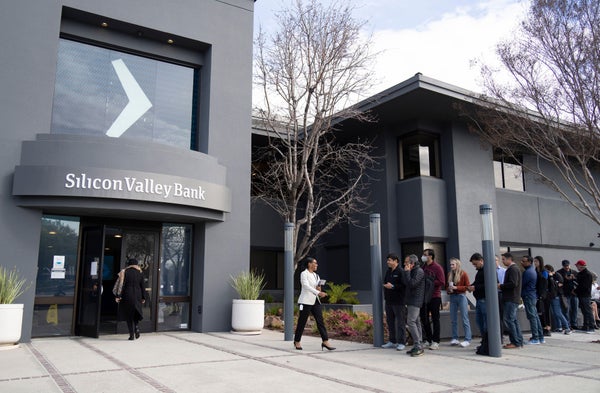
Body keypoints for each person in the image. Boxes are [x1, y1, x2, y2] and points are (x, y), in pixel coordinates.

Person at [293, 257, 335, 350]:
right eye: (315, 263)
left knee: (320, 321)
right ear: (309, 264)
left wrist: (319, 289)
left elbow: (316, 288)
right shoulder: (304, 274)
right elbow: (306, 286)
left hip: (315, 301)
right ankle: (297, 341)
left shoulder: (316, 275)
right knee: (302, 322)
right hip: (305, 301)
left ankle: (325, 341)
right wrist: (318, 292)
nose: (317, 265)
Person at [114, 258, 147, 340]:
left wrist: (118, 296)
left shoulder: (125, 272)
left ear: (129, 264)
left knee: (129, 315)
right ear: (136, 264)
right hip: (138, 295)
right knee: (136, 313)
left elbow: (122, 285)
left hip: (127, 295)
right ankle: (136, 327)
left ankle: (131, 335)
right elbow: (143, 286)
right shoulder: (140, 273)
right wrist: (143, 297)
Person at [419, 248, 445, 350]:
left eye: (425, 254)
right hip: (424, 297)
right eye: (423, 254)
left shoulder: (437, 267)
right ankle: (428, 339)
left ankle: (436, 341)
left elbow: (442, 282)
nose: (423, 256)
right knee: (424, 318)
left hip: (435, 296)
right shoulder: (423, 267)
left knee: (435, 319)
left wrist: (430, 283)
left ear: (431, 256)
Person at [401, 254, 425, 357]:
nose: (404, 264)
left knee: (411, 321)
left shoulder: (419, 271)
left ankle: (418, 345)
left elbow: (412, 284)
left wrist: (407, 272)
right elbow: (406, 283)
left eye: (406, 262)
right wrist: (407, 272)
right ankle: (418, 343)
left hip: (416, 300)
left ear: (412, 263)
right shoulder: (412, 271)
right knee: (416, 321)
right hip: (410, 299)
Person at [382, 253, 407, 350]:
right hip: (389, 301)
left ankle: (402, 342)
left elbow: (404, 286)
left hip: (399, 301)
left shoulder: (401, 271)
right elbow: (385, 282)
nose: (388, 262)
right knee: (390, 321)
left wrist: (393, 286)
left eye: (389, 260)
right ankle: (392, 341)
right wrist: (387, 285)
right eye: (387, 260)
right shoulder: (388, 271)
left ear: (396, 261)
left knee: (400, 322)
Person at [498, 252, 523, 349]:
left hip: (511, 298)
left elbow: (513, 283)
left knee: (509, 320)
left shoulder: (513, 269)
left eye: (503, 259)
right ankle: (518, 340)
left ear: (509, 259)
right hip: (513, 298)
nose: (502, 261)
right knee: (513, 320)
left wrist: (501, 286)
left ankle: (515, 341)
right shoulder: (513, 269)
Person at [446, 257, 472, 347]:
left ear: (457, 265)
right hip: (452, 297)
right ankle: (455, 338)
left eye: (453, 264)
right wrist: (449, 289)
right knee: (453, 319)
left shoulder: (463, 274)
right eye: (450, 264)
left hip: (461, 296)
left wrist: (457, 288)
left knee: (465, 318)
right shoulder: (450, 274)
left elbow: (468, 287)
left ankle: (468, 339)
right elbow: (446, 287)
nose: (451, 266)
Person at [521, 255, 544, 344]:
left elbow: (522, 284)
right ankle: (540, 336)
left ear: (529, 262)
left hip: (528, 296)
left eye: (524, 261)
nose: (522, 263)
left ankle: (536, 337)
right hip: (531, 296)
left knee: (532, 317)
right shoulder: (532, 271)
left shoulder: (528, 272)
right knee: (535, 316)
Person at [468, 253, 488, 355]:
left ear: (481, 260)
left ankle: (486, 343)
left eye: (476, 264)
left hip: (484, 299)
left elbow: (487, 284)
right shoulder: (480, 271)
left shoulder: (486, 270)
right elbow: (478, 283)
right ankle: (484, 342)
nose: (475, 266)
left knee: (485, 323)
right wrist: (471, 286)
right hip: (480, 299)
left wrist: (475, 287)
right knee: (480, 321)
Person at [545, 264, 571, 334]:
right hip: (551, 296)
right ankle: (559, 327)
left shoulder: (557, 275)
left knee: (558, 312)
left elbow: (556, 285)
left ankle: (567, 327)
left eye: (546, 270)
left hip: (556, 296)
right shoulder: (549, 276)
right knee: (554, 313)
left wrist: (551, 277)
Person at [556, 260, 579, 328]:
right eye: (565, 266)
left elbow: (579, 282)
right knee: (566, 309)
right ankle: (567, 324)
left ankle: (574, 324)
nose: (567, 267)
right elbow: (559, 283)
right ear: (563, 266)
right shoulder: (559, 272)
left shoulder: (574, 272)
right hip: (565, 293)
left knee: (575, 309)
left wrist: (574, 278)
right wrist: (565, 279)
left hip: (574, 293)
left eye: (568, 266)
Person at [574, 260, 595, 333]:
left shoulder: (587, 274)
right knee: (584, 311)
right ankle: (586, 326)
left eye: (577, 266)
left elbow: (584, 286)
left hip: (585, 295)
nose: (577, 267)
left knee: (588, 311)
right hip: (581, 295)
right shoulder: (581, 274)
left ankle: (591, 327)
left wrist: (575, 291)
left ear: (581, 266)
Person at [533, 256, 551, 337]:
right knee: (539, 312)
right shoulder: (535, 270)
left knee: (545, 312)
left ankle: (547, 328)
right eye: (534, 261)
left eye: (536, 261)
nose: (535, 263)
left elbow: (544, 283)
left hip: (544, 295)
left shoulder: (544, 272)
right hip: (537, 294)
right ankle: (542, 327)